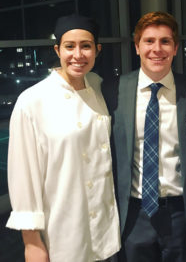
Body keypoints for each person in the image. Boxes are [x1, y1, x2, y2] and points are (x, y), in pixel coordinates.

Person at [6, 14, 120, 262]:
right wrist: (32, 243)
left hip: (107, 231)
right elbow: (24, 176)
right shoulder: (32, 101)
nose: (78, 55)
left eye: (86, 46)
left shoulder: (98, 86)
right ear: (58, 50)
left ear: (97, 50)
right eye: (70, 46)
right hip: (64, 230)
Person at [102, 11, 186, 262]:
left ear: (175, 48)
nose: (157, 49)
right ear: (137, 46)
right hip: (133, 213)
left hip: (181, 213)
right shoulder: (113, 91)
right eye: (149, 41)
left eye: (165, 41)